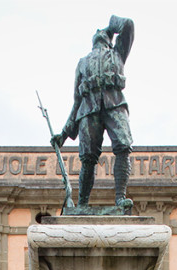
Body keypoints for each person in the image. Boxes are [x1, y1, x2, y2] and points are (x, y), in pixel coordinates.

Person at [51, 16, 134, 210]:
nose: (99, 32)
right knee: (87, 159)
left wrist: (111, 26)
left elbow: (128, 25)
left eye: (103, 33)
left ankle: (120, 199)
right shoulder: (82, 63)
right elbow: (76, 100)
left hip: (114, 105)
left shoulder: (118, 53)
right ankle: (82, 204)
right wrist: (64, 134)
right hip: (88, 110)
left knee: (123, 146)